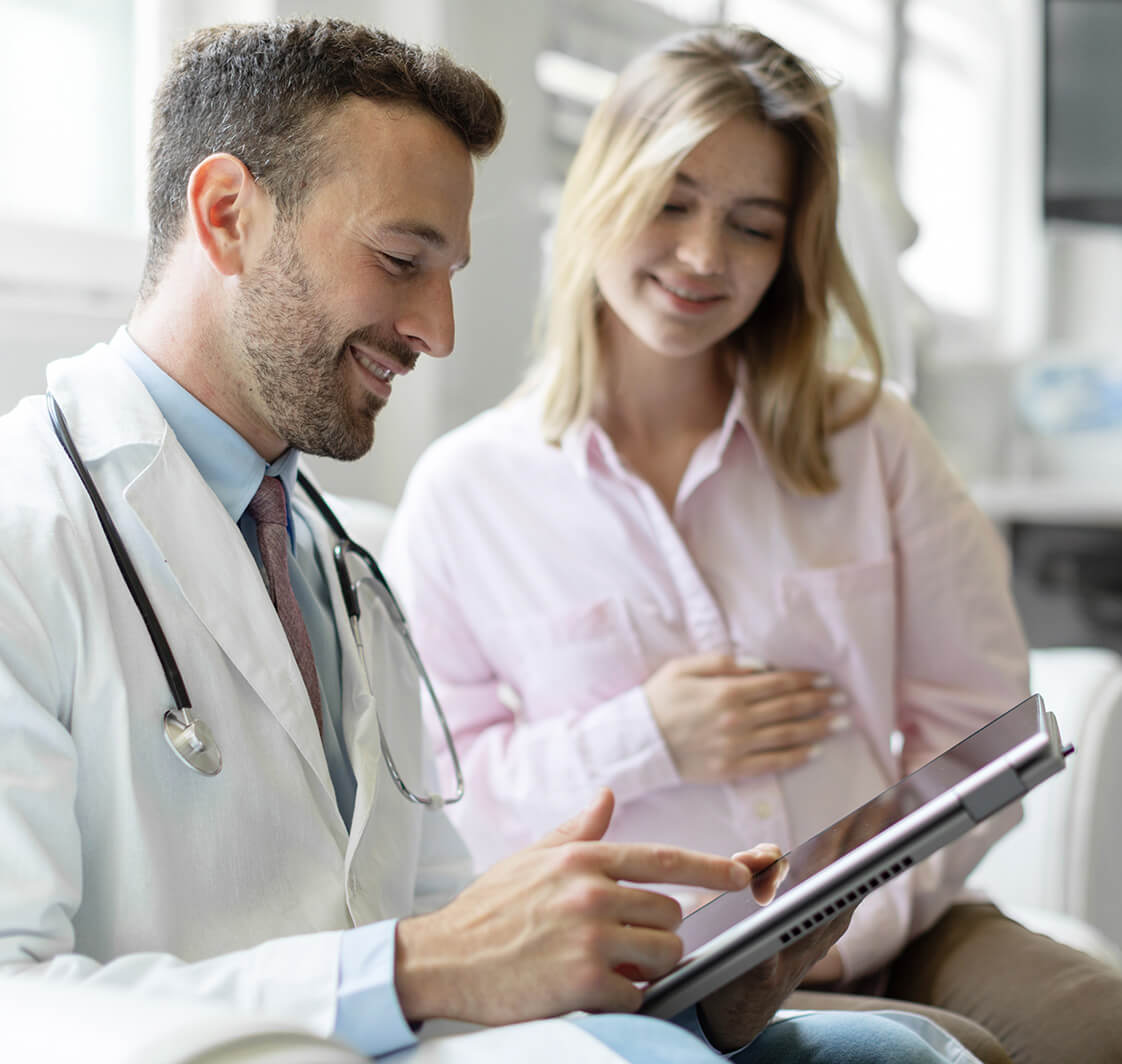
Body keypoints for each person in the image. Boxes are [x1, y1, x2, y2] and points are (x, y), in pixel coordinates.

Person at [0, 16, 983, 1064]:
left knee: (904, 1052)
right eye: (400, 258)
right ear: (227, 213)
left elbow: (439, 918)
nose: (439, 329)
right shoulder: (32, 532)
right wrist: (422, 963)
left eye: (450, 272)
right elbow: (20, 995)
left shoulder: (333, 565)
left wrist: (706, 981)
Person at [382, 23, 1122, 1064]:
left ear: (791, 250)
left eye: (753, 225)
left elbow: (977, 711)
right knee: (947, 1056)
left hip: (895, 928)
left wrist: (856, 917)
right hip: (657, 971)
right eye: (672, 201)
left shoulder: (869, 438)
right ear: (601, 189)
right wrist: (649, 732)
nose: (701, 257)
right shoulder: (467, 493)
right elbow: (442, 805)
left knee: (1100, 1025)